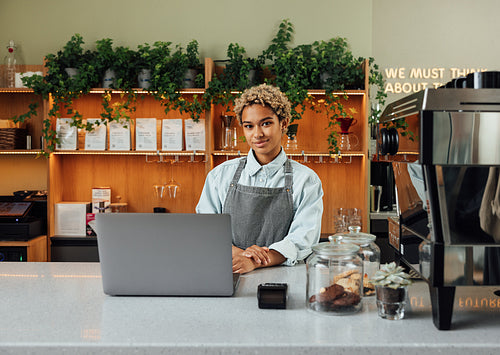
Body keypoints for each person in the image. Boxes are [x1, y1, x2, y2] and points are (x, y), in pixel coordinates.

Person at [196, 83, 324, 274]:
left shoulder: (306, 180)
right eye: (249, 126)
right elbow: (205, 231)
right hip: (230, 270)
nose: (257, 134)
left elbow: (303, 238)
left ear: (284, 123)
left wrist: (256, 261)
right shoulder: (220, 175)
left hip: (285, 276)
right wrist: (242, 256)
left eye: (266, 123)